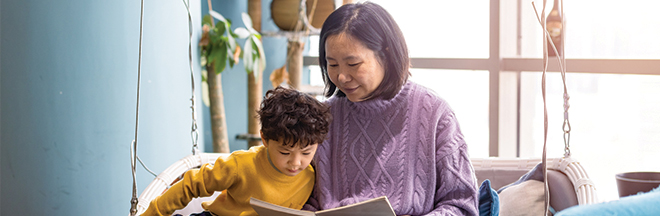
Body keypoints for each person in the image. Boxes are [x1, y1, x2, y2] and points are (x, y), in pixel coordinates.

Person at [303, 2, 479, 215]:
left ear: (385, 54)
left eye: (353, 64)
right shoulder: (323, 118)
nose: (341, 76)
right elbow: (307, 198)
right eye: (332, 64)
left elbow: (462, 206)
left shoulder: (435, 114)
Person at [142, 86, 332, 216]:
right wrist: (153, 213)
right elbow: (191, 184)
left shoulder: (310, 177)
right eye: (285, 152)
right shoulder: (241, 164)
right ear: (264, 139)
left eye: (306, 153)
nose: (296, 162)